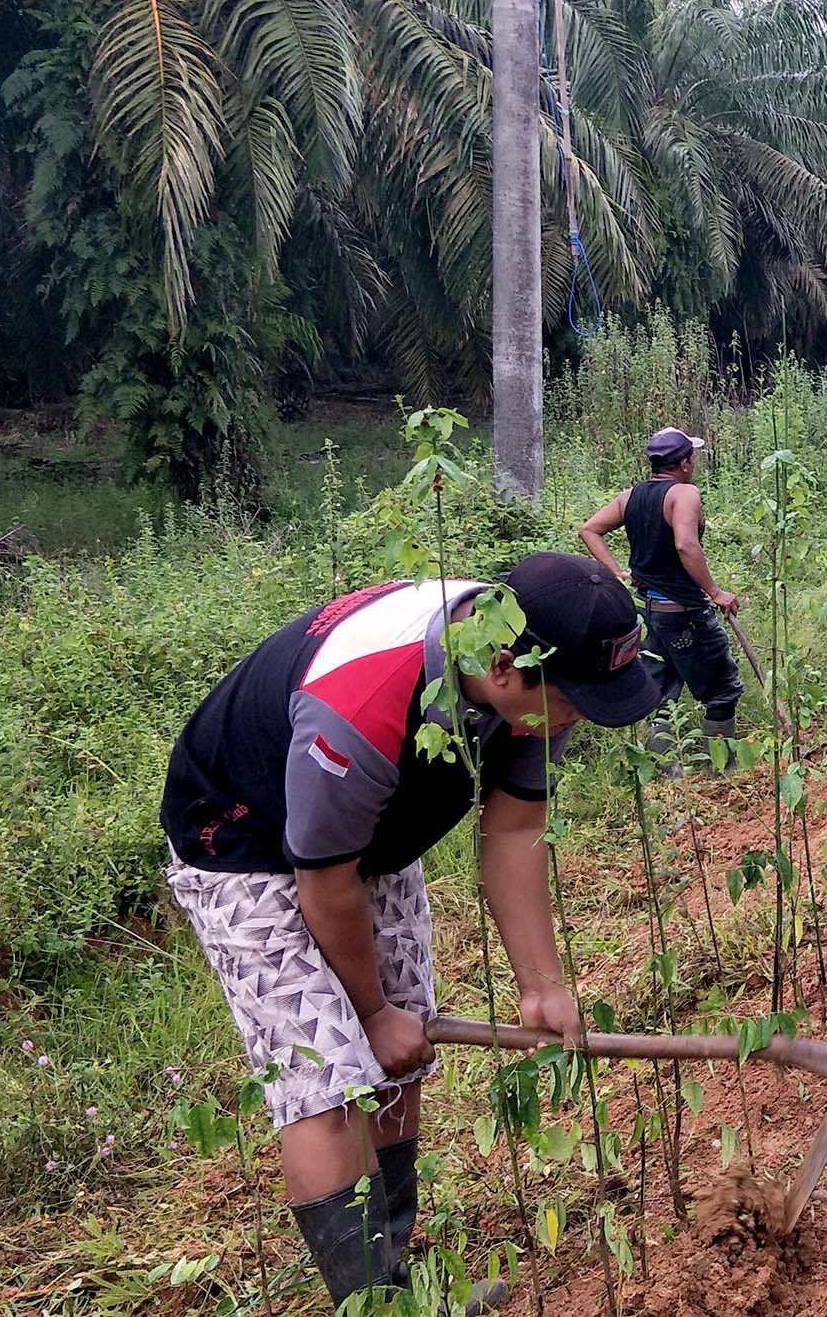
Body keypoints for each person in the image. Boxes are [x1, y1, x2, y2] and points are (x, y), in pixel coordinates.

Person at [159, 554, 663, 1309]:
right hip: (246, 840)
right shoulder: (359, 703)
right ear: (501, 667)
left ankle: (391, 1287)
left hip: (369, 830)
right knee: (328, 1078)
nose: (579, 717)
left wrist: (542, 985)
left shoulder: (530, 663)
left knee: (404, 1052)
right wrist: (366, 1012)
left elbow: (515, 824)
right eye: (574, 701)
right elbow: (326, 879)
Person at [578, 428, 744, 775]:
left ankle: (668, 778)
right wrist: (715, 592)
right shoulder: (684, 494)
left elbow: (589, 529)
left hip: (646, 613)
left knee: (659, 695)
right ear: (684, 463)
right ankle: (722, 773)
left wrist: (619, 573)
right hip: (685, 614)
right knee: (722, 690)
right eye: (692, 457)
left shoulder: (631, 496)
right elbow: (686, 544)